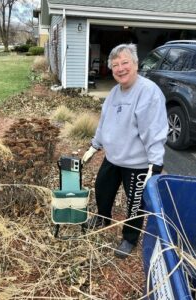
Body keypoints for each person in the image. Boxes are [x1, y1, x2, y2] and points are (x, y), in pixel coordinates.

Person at [82, 43, 168, 259]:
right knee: (102, 188)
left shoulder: (148, 92)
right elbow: (104, 123)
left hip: (137, 163)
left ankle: (129, 238)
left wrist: (155, 163)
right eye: (115, 65)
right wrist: (95, 145)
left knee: (136, 203)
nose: (120, 68)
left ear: (136, 64)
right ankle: (103, 217)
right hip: (113, 158)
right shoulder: (114, 92)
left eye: (125, 63)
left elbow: (155, 130)